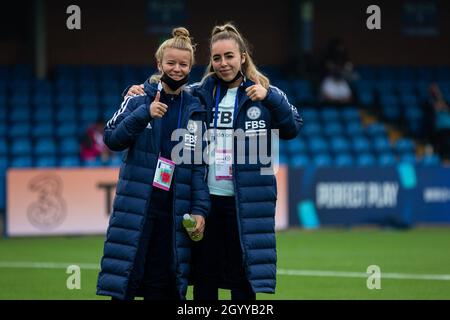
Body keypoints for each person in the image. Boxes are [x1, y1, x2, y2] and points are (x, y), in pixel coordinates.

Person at [126, 23, 302, 300]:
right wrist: (143, 88)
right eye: (217, 58)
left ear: (242, 56)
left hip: (244, 203)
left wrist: (271, 98)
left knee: (242, 279)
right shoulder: (201, 92)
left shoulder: (264, 92)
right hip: (206, 201)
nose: (223, 63)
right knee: (204, 276)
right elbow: (169, 87)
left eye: (229, 56)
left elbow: (292, 128)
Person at [96, 27, 210, 300]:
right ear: (159, 64)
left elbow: (197, 166)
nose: (177, 68)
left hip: (174, 211)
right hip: (138, 208)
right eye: (171, 63)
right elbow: (111, 139)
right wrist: (144, 114)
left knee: (163, 285)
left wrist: (200, 209)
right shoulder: (137, 98)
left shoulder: (196, 108)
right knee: (126, 280)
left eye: (184, 64)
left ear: (191, 67)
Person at [429, 83, 450, 164]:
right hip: (441, 132)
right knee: (444, 150)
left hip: (448, 130)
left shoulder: (446, 102)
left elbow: (444, 107)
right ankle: (445, 164)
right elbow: (436, 109)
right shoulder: (430, 103)